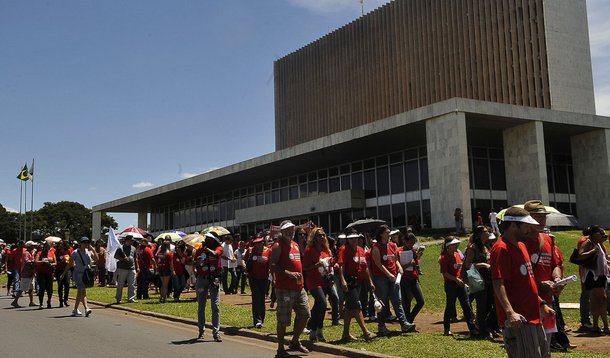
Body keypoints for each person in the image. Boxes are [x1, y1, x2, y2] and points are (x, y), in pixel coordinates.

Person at [490, 207, 554, 357]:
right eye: (526, 226)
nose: (529, 230)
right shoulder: (501, 248)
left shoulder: (522, 246)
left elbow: (526, 283)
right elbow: (498, 283)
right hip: (519, 319)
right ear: (513, 226)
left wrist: (541, 304)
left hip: (533, 315)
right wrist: (510, 312)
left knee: (543, 354)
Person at [523, 200, 564, 350]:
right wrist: (540, 285)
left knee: (546, 346)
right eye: (537, 217)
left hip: (548, 301)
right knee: (532, 348)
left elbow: (555, 265)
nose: (542, 220)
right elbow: (521, 276)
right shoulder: (521, 242)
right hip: (528, 302)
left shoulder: (548, 239)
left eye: (543, 217)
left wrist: (558, 279)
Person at [269, 220, 310, 358]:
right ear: (281, 231)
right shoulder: (277, 245)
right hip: (284, 288)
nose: (291, 232)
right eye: (287, 230)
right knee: (283, 320)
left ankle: (295, 341)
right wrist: (289, 274)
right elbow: (273, 266)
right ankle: (280, 348)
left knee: (305, 314)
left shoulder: (296, 245)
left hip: (299, 287)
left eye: (292, 229)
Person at [370, 225, 415, 336]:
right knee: (383, 303)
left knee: (397, 300)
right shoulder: (376, 247)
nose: (389, 234)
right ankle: (381, 326)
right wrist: (388, 274)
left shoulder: (392, 245)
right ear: (381, 234)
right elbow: (378, 264)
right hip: (381, 278)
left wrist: (399, 267)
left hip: (394, 277)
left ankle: (404, 323)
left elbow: (395, 260)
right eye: (387, 232)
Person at [338, 230, 376, 342]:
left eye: (355, 238)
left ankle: (345, 334)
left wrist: (370, 282)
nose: (353, 240)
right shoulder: (344, 250)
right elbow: (341, 266)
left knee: (350, 309)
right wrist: (343, 281)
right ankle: (365, 332)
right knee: (357, 306)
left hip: (359, 282)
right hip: (349, 283)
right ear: (347, 240)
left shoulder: (361, 250)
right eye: (351, 238)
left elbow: (366, 268)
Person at [303, 227, 337, 342]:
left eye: (323, 235)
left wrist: (332, 267)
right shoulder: (309, 250)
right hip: (313, 282)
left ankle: (317, 331)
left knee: (320, 307)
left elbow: (330, 265)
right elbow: (305, 268)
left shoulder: (326, 250)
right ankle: (313, 328)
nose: (322, 237)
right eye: (319, 235)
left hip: (325, 281)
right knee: (322, 303)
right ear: (314, 237)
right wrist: (316, 265)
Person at [439, 236, 476, 336]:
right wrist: (456, 279)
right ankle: (447, 329)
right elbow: (445, 273)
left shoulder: (457, 254)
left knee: (466, 305)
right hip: (451, 284)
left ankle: (472, 329)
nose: (456, 246)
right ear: (449, 246)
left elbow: (460, 268)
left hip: (460, 283)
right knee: (450, 306)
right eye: (454, 245)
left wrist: (463, 279)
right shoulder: (444, 257)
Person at [462, 226, 494, 339]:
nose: (488, 233)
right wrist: (483, 265)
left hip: (487, 278)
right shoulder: (473, 248)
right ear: (479, 234)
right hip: (478, 280)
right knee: (481, 306)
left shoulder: (485, 246)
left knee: (490, 304)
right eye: (485, 232)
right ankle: (482, 332)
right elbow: (467, 265)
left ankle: (486, 328)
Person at [577, 225, 609, 335]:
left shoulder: (598, 244)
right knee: (602, 298)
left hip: (600, 274)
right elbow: (580, 255)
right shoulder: (588, 242)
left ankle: (597, 326)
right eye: (601, 234)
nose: (603, 236)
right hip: (592, 275)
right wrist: (593, 251)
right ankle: (605, 326)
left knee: (597, 300)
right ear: (595, 234)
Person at [193, 232, 223, 342]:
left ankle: (216, 332)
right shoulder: (199, 249)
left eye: (209, 238)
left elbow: (216, 254)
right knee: (201, 305)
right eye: (206, 238)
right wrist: (197, 262)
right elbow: (194, 262)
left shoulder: (218, 248)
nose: (206, 239)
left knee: (215, 305)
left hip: (214, 279)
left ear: (213, 240)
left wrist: (207, 250)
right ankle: (201, 331)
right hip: (202, 280)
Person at [60, 237, 98, 317]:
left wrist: (93, 250)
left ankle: (75, 309)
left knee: (80, 292)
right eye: (84, 242)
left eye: (87, 242)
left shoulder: (88, 252)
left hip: (86, 274)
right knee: (82, 290)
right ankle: (86, 308)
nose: (86, 244)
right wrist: (64, 273)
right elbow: (70, 264)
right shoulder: (75, 252)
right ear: (80, 243)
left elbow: (96, 259)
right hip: (78, 274)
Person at [398, 232, 425, 324]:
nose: (411, 245)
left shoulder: (413, 251)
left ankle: (409, 319)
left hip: (414, 279)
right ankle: (407, 322)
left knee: (421, 301)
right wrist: (409, 263)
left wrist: (418, 257)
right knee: (407, 303)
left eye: (413, 243)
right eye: (410, 243)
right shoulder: (399, 251)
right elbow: (399, 268)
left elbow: (416, 265)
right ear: (404, 241)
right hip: (404, 279)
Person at [244, 235, 270, 328]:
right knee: (256, 298)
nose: (258, 245)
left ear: (263, 242)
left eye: (260, 242)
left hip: (264, 278)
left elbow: (271, 263)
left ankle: (261, 319)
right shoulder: (250, 250)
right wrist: (245, 269)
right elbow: (243, 260)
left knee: (262, 298)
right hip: (253, 278)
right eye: (256, 243)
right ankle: (257, 321)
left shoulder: (268, 251)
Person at [11, 241, 37, 308]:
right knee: (23, 287)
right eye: (32, 246)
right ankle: (15, 301)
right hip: (26, 273)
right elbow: (27, 261)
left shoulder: (31, 253)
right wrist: (35, 262)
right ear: (29, 246)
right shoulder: (26, 253)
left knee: (31, 287)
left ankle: (31, 301)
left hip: (31, 273)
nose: (34, 247)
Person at [114, 235, 138, 304]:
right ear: (127, 240)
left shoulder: (133, 248)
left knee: (132, 284)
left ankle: (131, 298)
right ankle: (118, 298)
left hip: (131, 268)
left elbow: (135, 258)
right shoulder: (120, 248)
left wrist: (137, 266)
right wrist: (123, 259)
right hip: (122, 268)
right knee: (120, 284)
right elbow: (115, 256)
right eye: (131, 240)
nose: (132, 241)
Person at [34, 242, 56, 309]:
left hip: (49, 273)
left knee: (50, 289)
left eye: (49, 246)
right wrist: (43, 262)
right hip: (41, 273)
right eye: (47, 246)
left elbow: (55, 262)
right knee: (42, 288)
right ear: (44, 247)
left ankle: (49, 301)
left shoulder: (52, 253)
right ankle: (41, 303)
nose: (48, 248)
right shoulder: (39, 253)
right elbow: (36, 262)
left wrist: (51, 264)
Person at [156, 237, 175, 303]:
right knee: (165, 285)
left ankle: (161, 297)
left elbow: (157, 261)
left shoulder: (159, 253)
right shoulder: (169, 253)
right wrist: (173, 271)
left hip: (160, 269)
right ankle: (164, 298)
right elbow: (171, 264)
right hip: (166, 269)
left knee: (162, 284)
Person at [55, 240, 73, 307]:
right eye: (59, 244)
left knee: (67, 284)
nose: (60, 245)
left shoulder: (67, 251)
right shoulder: (57, 252)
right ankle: (60, 300)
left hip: (67, 269)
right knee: (60, 285)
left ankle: (66, 299)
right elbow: (55, 261)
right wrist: (61, 261)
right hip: (59, 270)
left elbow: (71, 259)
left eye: (61, 244)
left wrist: (68, 261)